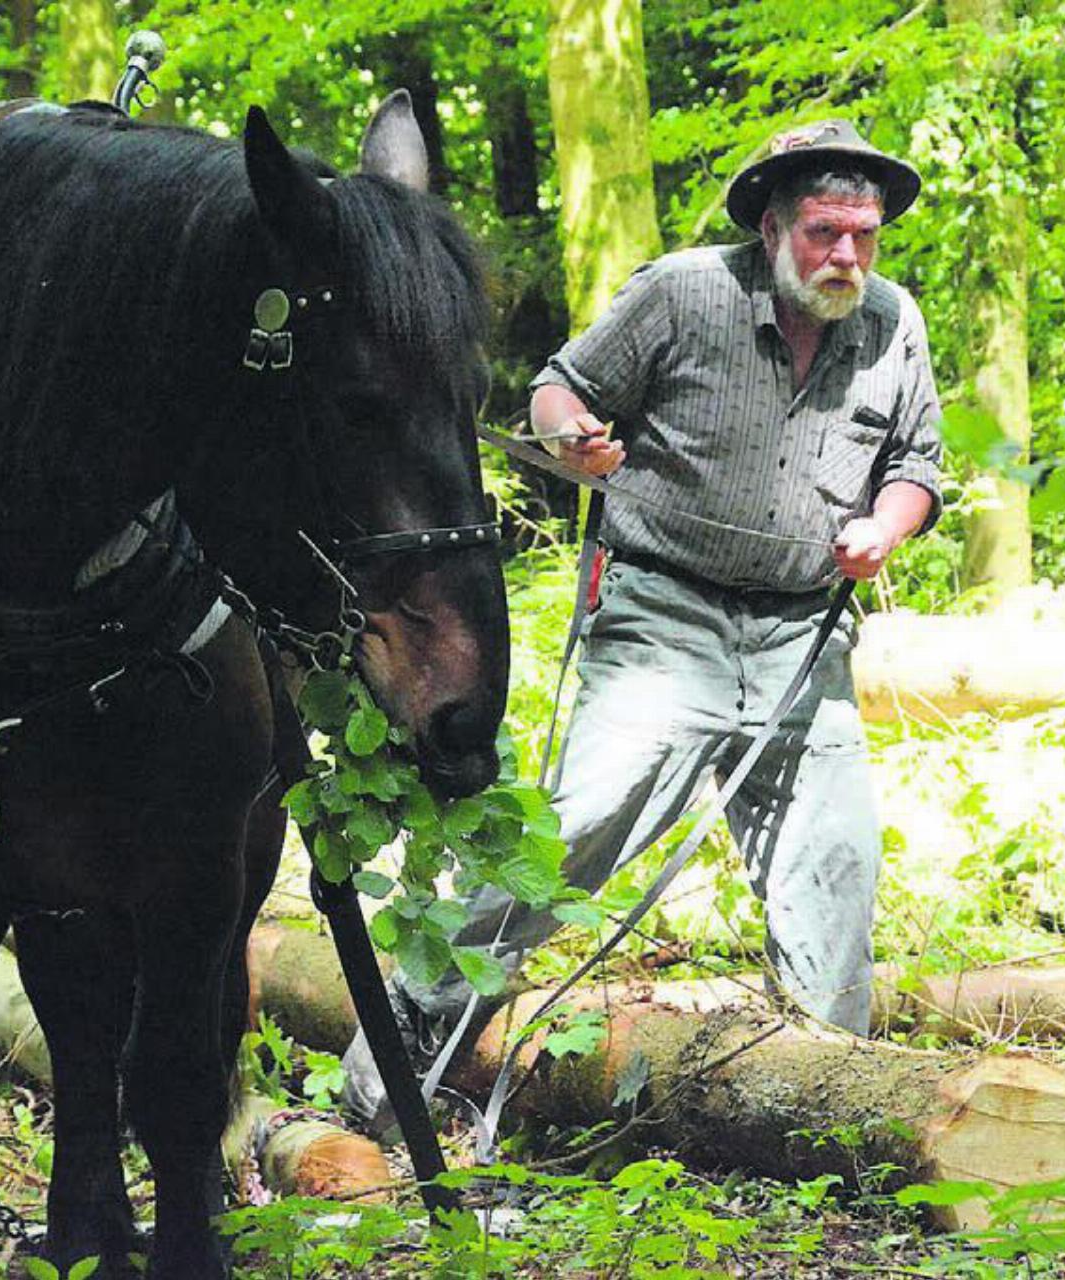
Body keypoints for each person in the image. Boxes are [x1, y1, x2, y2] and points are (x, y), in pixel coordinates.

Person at [344, 119, 944, 1127]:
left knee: (837, 858)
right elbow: (557, 386)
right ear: (770, 228)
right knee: (577, 823)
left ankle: (833, 1102)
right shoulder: (683, 292)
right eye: (823, 234)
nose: (847, 257)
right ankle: (401, 1028)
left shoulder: (893, 322)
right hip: (667, 612)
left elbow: (919, 463)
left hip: (803, 635)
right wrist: (570, 440)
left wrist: (887, 525)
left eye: (863, 235)